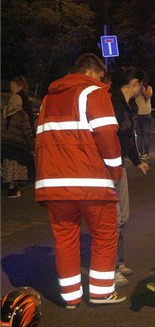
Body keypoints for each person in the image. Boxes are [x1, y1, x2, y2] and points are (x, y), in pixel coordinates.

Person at [35, 53, 125, 308]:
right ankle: (101, 292)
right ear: (92, 72)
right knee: (105, 236)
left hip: (54, 184)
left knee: (65, 239)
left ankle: (70, 297)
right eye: (101, 76)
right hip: (91, 181)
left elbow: (41, 140)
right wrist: (115, 171)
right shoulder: (92, 92)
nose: (102, 81)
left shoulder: (48, 99)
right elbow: (107, 136)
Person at [109, 67, 149, 287]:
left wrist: (136, 160)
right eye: (141, 85)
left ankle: (120, 261)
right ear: (135, 83)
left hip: (120, 163)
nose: (141, 90)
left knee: (122, 217)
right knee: (114, 218)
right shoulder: (111, 102)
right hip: (108, 166)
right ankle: (112, 268)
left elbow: (129, 137)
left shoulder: (128, 106)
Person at [1, 77, 35, 198]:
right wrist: (32, 143)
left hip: (6, 142)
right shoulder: (21, 112)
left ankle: (11, 186)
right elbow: (27, 128)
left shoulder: (5, 112)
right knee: (18, 163)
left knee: (9, 163)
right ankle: (14, 187)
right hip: (18, 142)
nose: (11, 88)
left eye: (13, 85)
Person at [134, 83, 153, 160]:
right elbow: (132, 96)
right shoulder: (135, 88)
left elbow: (148, 96)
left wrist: (143, 89)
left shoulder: (148, 87)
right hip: (137, 115)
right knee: (138, 135)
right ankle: (139, 152)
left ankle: (146, 153)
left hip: (146, 115)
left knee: (145, 135)